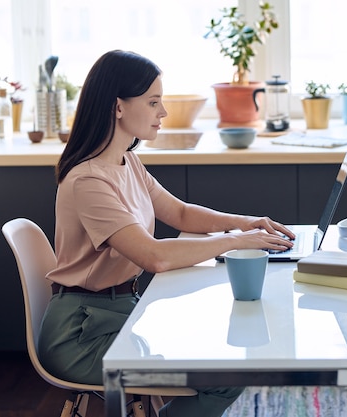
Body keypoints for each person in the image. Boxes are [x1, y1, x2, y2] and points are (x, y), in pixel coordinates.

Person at [37, 49, 296, 417]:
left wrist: (245, 221)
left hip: (122, 313)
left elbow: (179, 213)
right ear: (118, 107)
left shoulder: (126, 162)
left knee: (227, 360)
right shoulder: (88, 181)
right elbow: (154, 257)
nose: (163, 113)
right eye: (154, 102)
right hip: (83, 336)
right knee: (228, 375)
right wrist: (237, 242)